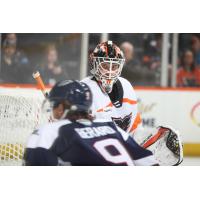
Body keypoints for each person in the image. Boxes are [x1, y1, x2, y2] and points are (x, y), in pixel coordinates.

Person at [81, 41, 183, 165]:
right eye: (105, 65)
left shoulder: (126, 86)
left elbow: (134, 130)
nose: (110, 71)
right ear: (95, 65)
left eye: (114, 67)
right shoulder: (84, 90)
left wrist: (150, 140)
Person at [24, 80, 158, 166]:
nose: (52, 111)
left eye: (54, 105)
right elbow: (149, 163)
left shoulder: (49, 132)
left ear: (60, 108)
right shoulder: (111, 127)